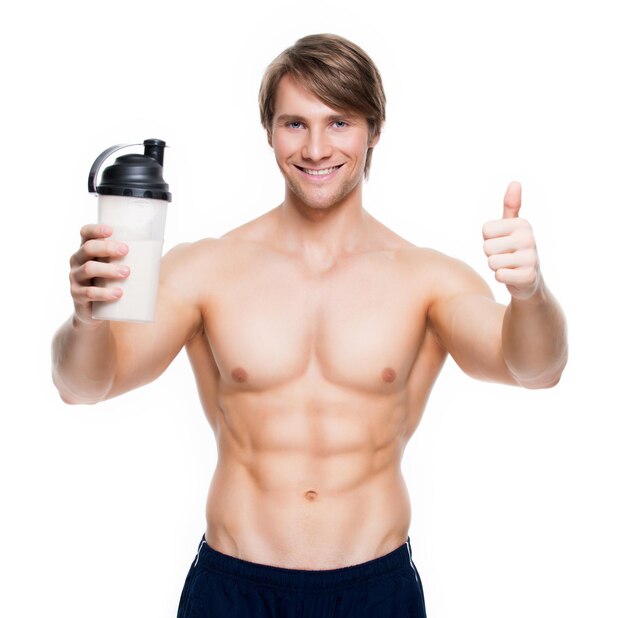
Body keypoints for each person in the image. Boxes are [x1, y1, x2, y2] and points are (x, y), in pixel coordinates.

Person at [52, 33, 568, 618]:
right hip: (233, 588)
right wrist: (86, 317)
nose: (317, 148)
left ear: (373, 130)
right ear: (269, 132)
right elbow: (84, 386)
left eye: (339, 122)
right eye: (295, 124)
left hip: (374, 591)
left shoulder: (426, 279)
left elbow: (535, 369)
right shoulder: (206, 268)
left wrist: (530, 293)